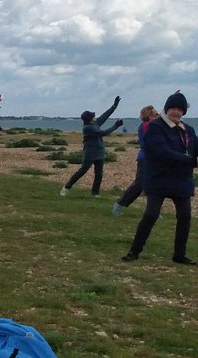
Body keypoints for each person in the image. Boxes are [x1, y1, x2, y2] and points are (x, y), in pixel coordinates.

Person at [122, 92, 197, 265]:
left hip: (181, 180)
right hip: (158, 178)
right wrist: (191, 161)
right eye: (173, 108)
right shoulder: (155, 127)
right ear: (167, 108)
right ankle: (134, 252)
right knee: (151, 214)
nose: (176, 112)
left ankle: (179, 255)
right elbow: (162, 152)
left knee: (185, 217)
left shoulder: (188, 130)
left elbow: (195, 147)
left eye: (180, 109)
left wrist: (191, 159)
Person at [60, 96, 122, 197]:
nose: (95, 117)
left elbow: (105, 116)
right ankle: (67, 187)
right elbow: (103, 133)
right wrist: (115, 126)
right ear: (89, 119)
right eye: (93, 116)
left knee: (99, 173)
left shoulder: (94, 123)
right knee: (82, 171)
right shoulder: (88, 128)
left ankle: (95, 193)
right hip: (90, 153)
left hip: (99, 152)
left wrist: (114, 106)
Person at [113, 105, 159, 216]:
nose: (158, 116)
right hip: (146, 159)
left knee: (155, 185)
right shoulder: (146, 125)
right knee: (140, 184)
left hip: (156, 159)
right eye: (156, 114)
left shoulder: (153, 125)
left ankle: (154, 210)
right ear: (150, 116)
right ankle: (120, 204)